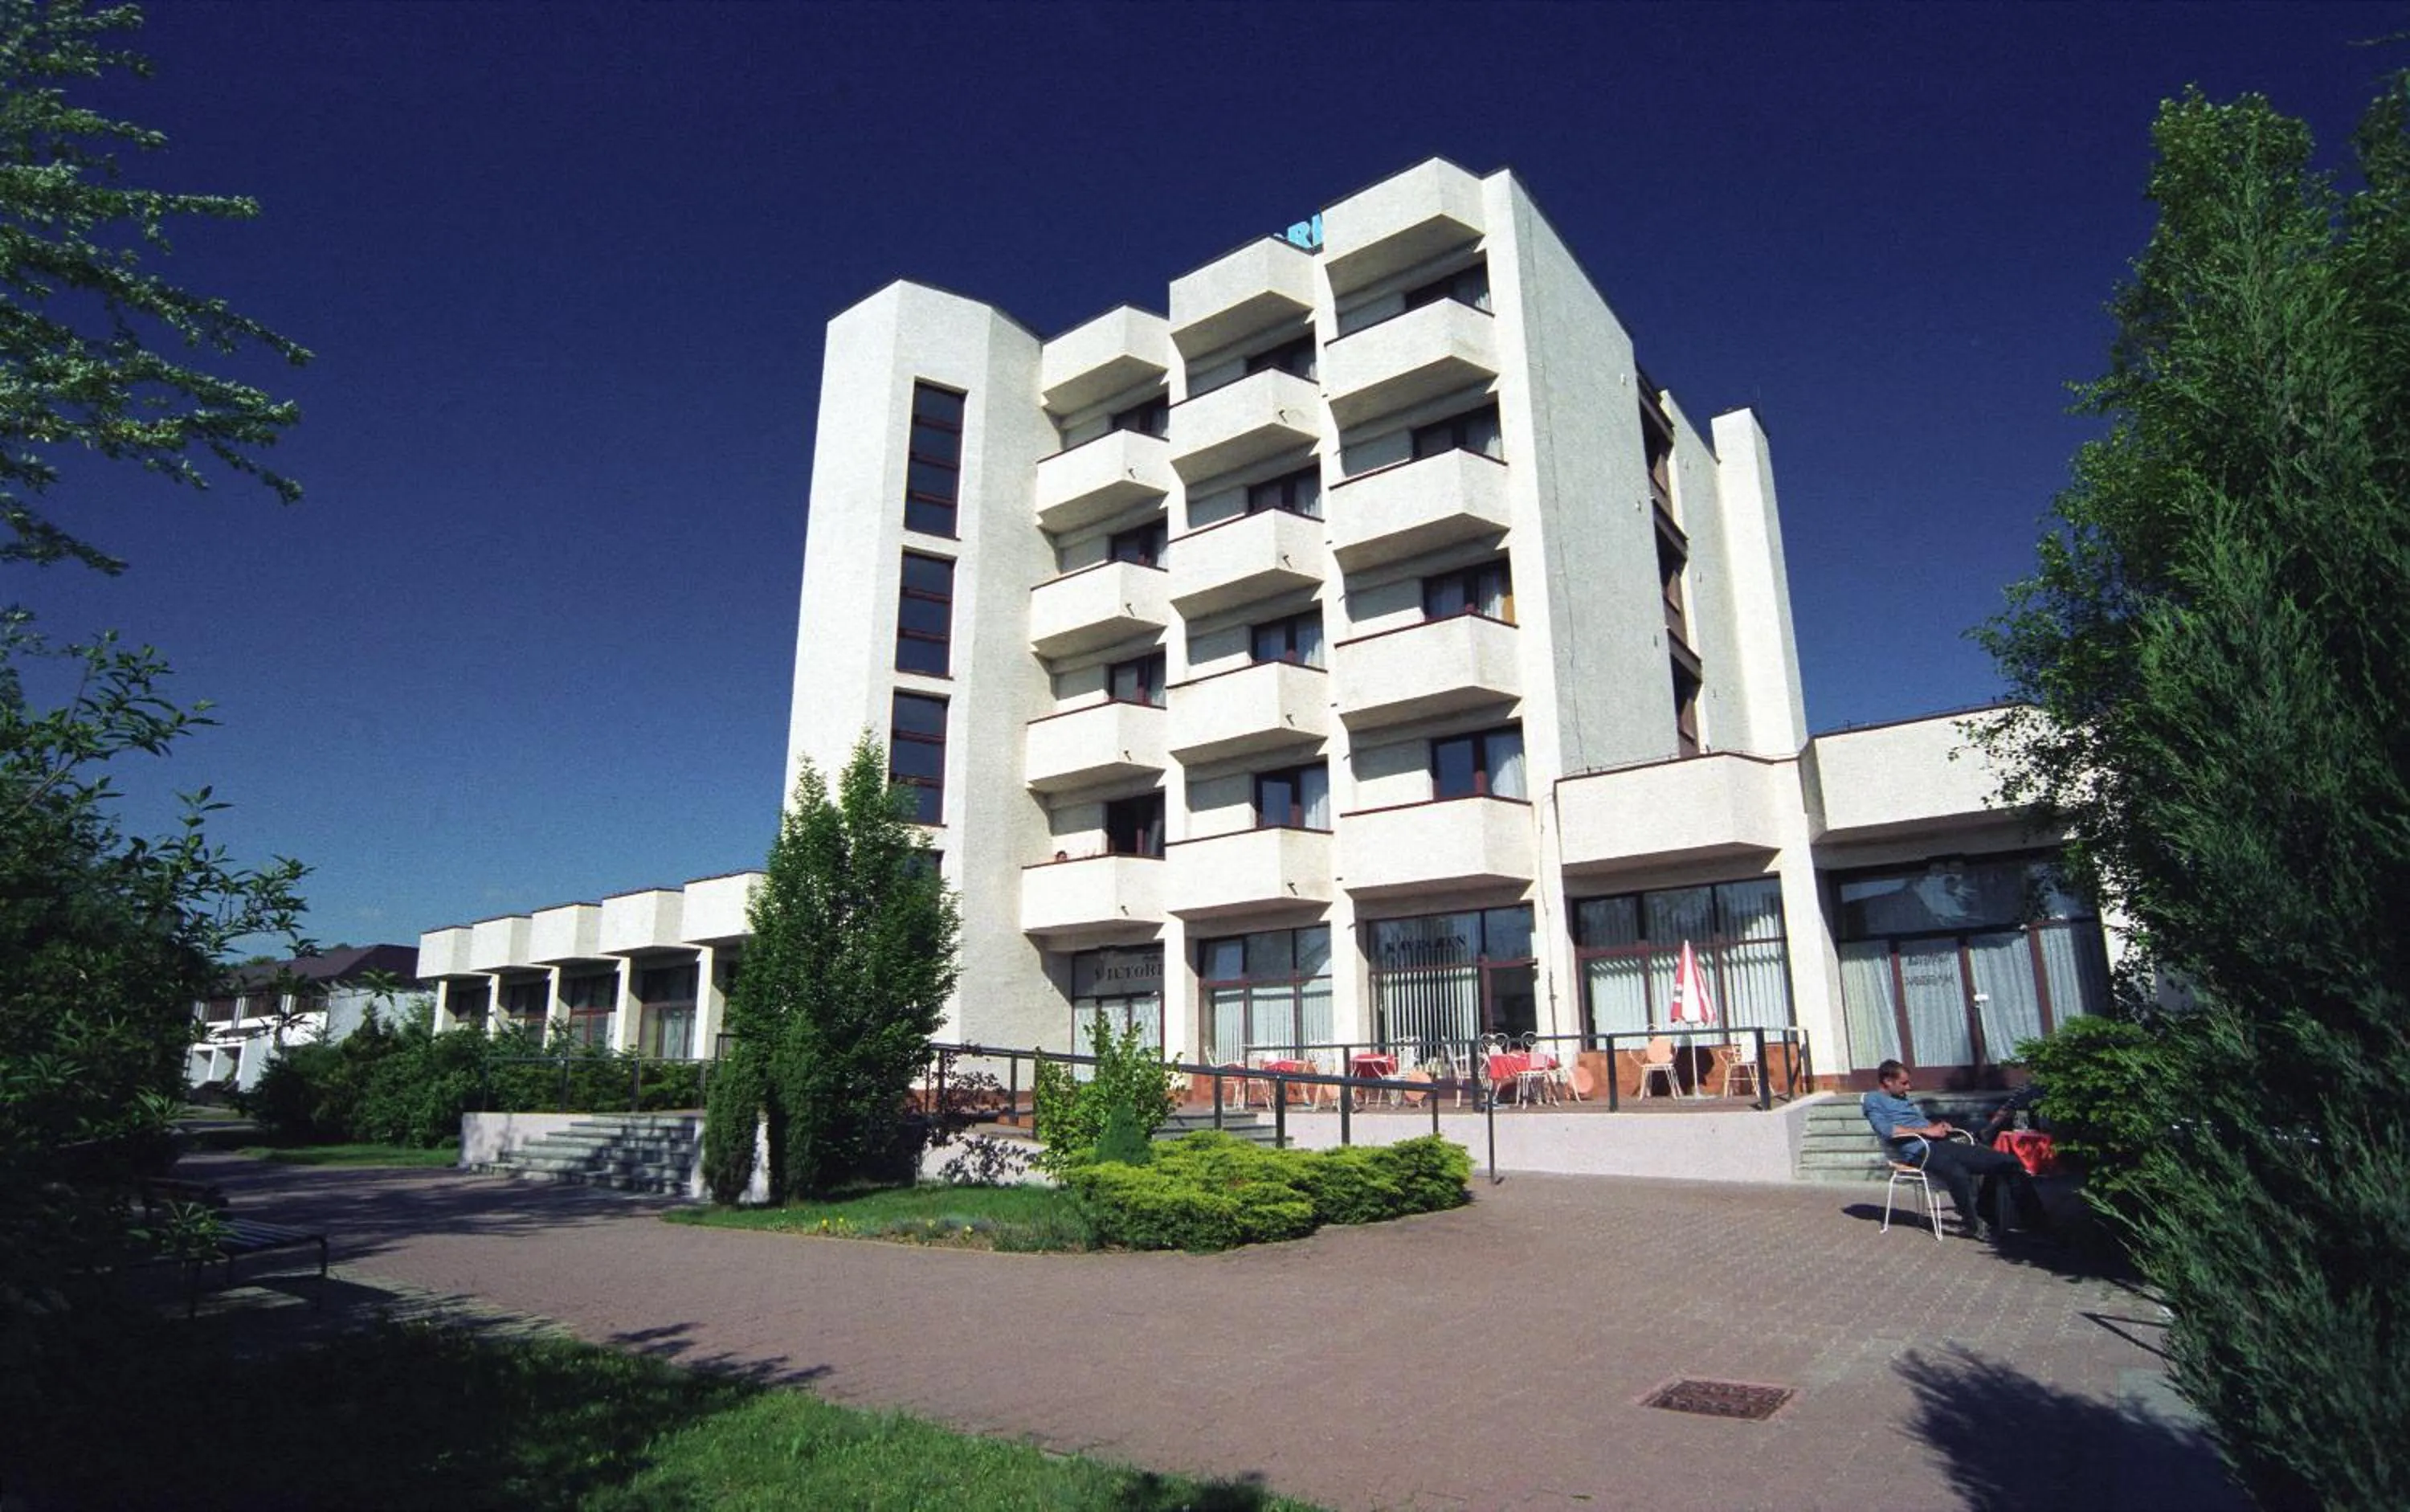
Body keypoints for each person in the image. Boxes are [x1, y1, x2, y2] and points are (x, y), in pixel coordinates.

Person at [1861, 1060, 2051, 1243]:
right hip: (1919, 1151)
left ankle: (2037, 1226)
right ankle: (1975, 1224)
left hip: (1941, 1143)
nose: (1909, 1087)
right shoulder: (1873, 1099)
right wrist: (1926, 1131)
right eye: (1904, 1083)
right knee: (1958, 1173)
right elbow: (1886, 1130)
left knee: (2007, 1162)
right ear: (1887, 1081)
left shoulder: (1902, 1098)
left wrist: (1938, 1127)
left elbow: (1920, 1123)